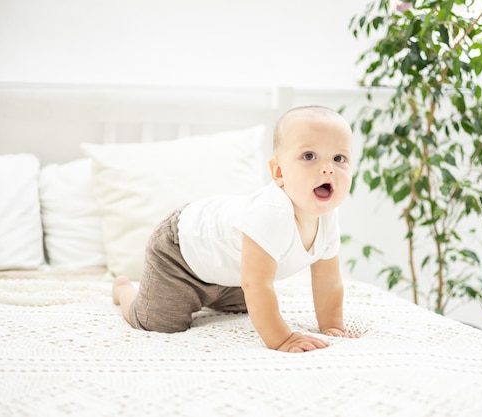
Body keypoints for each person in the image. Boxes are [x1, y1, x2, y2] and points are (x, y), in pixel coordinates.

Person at [112, 105, 355, 353]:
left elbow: (328, 282)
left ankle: (212, 296)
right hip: (180, 253)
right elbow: (255, 285)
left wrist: (332, 326)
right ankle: (123, 291)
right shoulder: (270, 214)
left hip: (229, 270)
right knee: (160, 323)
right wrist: (283, 339)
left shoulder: (327, 218)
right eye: (309, 156)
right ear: (279, 172)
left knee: (247, 306)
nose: (328, 168)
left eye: (339, 158)